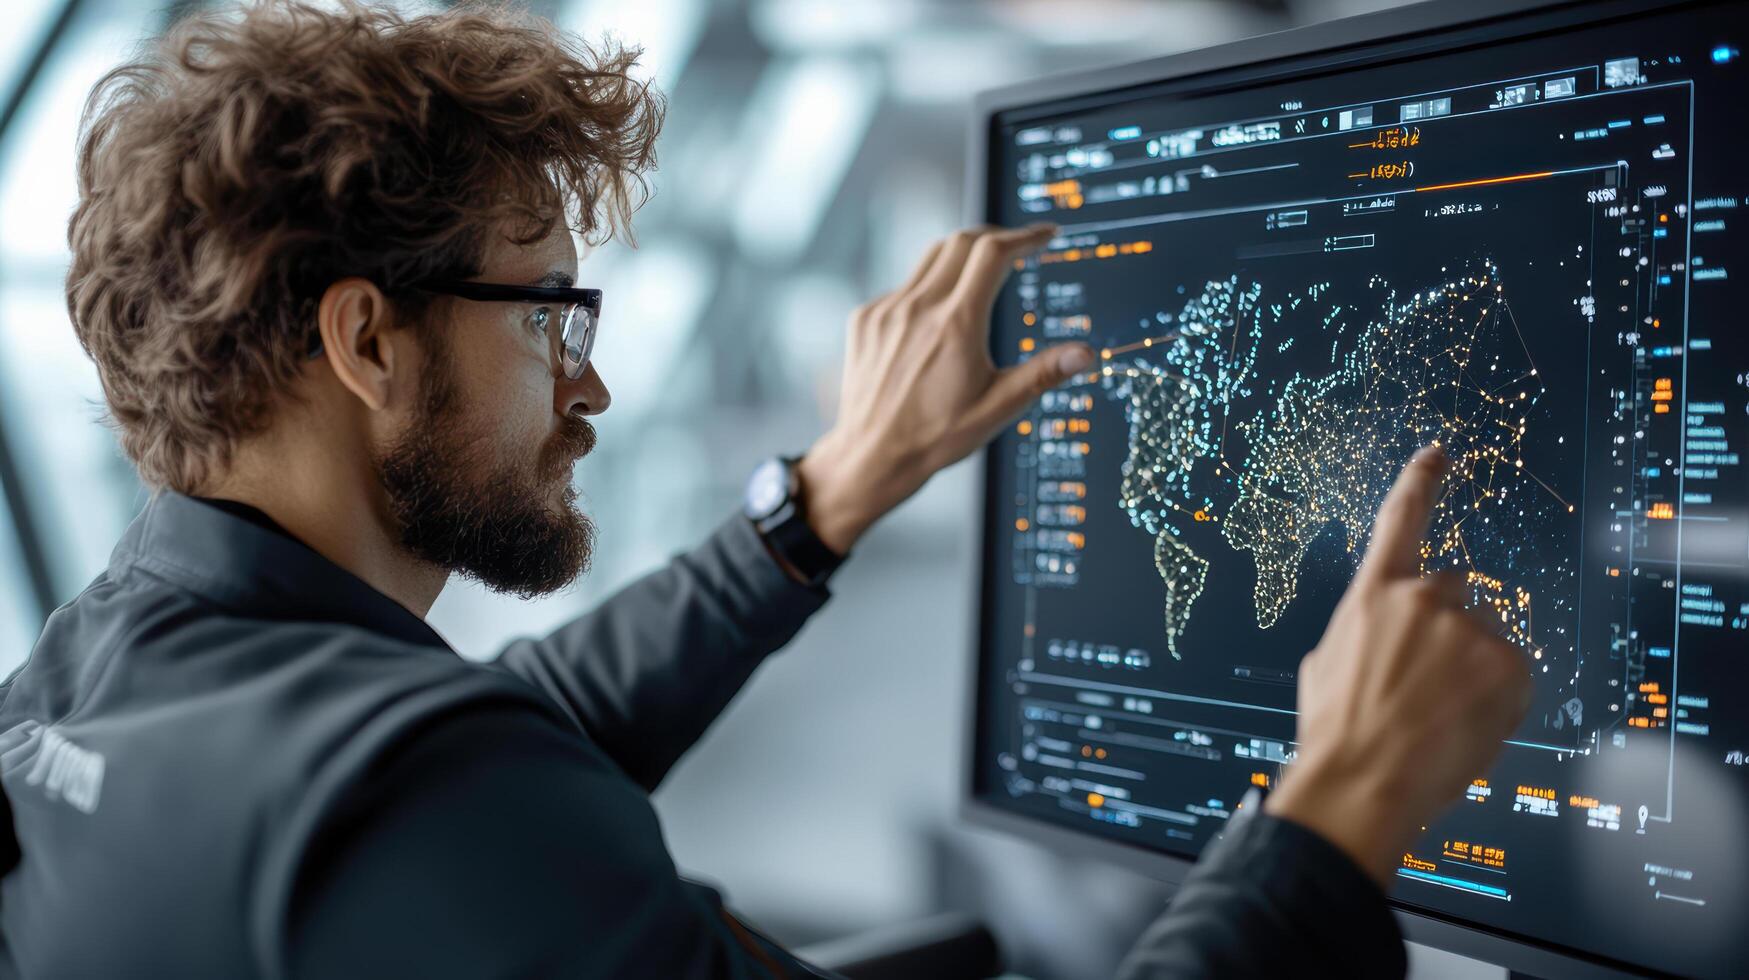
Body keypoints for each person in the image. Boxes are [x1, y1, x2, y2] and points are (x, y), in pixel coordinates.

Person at [0, 2, 1531, 977]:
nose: (585, 384)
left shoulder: (104, 668)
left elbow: (504, 748)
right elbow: (467, 797)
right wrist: (1333, 812)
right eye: (547, 315)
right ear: (364, 340)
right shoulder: (413, 809)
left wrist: (826, 497)